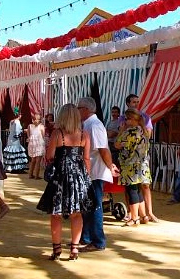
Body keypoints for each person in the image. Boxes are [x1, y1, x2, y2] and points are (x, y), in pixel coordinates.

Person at [37, 103, 95, 260]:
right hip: (78, 177)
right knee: (77, 214)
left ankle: (57, 249)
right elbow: (86, 159)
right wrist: (87, 179)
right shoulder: (85, 135)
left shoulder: (57, 134)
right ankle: (74, 249)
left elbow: (49, 156)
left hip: (61, 178)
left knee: (56, 214)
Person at [78, 97, 119, 252]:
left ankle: (98, 241)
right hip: (90, 170)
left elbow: (102, 149)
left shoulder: (94, 125)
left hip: (96, 170)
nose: (77, 111)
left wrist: (110, 166)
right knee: (88, 206)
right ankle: (87, 237)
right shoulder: (89, 124)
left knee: (95, 206)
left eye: (79, 108)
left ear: (86, 109)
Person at [119, 94, 159, 222]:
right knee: (133, 188)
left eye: (137, 101)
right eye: (134, 102)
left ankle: (143, 214)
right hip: (136, 159)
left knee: (138, 187)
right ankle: (138, 214)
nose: (136, 104)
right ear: (128, 103)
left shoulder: (144, 118)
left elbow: (119, 141)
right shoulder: (123, 119)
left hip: (135, 160)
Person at [115, 108, 150, 226]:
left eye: (126, 119)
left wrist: (121, 131)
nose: (125, 121)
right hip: (142, 165)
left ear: (132, 119)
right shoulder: (143, 131)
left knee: (132, 191)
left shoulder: (129, 132)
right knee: (138, 190)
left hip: (130, 166)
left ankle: (134, 218)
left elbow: (117, 144)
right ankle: (143, 215)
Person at [3, 107, 29, 173]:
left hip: (10, 138)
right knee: (16, 151)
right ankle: (17, 167)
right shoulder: (17, 122)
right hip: (15, 139)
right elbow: (17, 131)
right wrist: (23, 131)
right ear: (19, 115)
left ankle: (10, 166)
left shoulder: (11, 121)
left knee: (11, 151)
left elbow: (10, 130)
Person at [26, 114, 45, 179]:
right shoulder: (41, 126)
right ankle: (36, 175)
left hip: (32, 143)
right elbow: (43, 135)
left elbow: (28, 135)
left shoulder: (30, 126)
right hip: (39, 143)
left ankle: (30, 174)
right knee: (38, 161)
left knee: (33, 160)